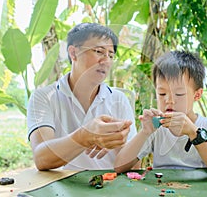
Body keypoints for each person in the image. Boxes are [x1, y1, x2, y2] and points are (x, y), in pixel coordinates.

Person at [27, 23, 137, 171]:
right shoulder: (44, 97)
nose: (106, 61)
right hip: (61, 188)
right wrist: (86, 135)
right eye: (99, 51)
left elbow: (135, 168)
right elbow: (41, 158)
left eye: (111, 55)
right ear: (73, 53)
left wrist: (120, 142)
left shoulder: (119, 99)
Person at [114, 50, 207, 180]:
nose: (169, 100)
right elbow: (119, 167)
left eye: (179, 94)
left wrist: (194, 133)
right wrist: (145, 132)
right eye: (162, 94)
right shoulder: (157, 127)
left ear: (197, 95)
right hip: (162, 188)